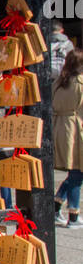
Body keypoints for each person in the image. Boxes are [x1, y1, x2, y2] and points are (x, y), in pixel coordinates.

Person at [53, 47, 83, 227]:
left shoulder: (59, 81)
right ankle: (73, 215)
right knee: (77, 172)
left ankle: (56, 206)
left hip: (60, 127)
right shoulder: (80, 82)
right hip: (76, 128)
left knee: (75, 171)